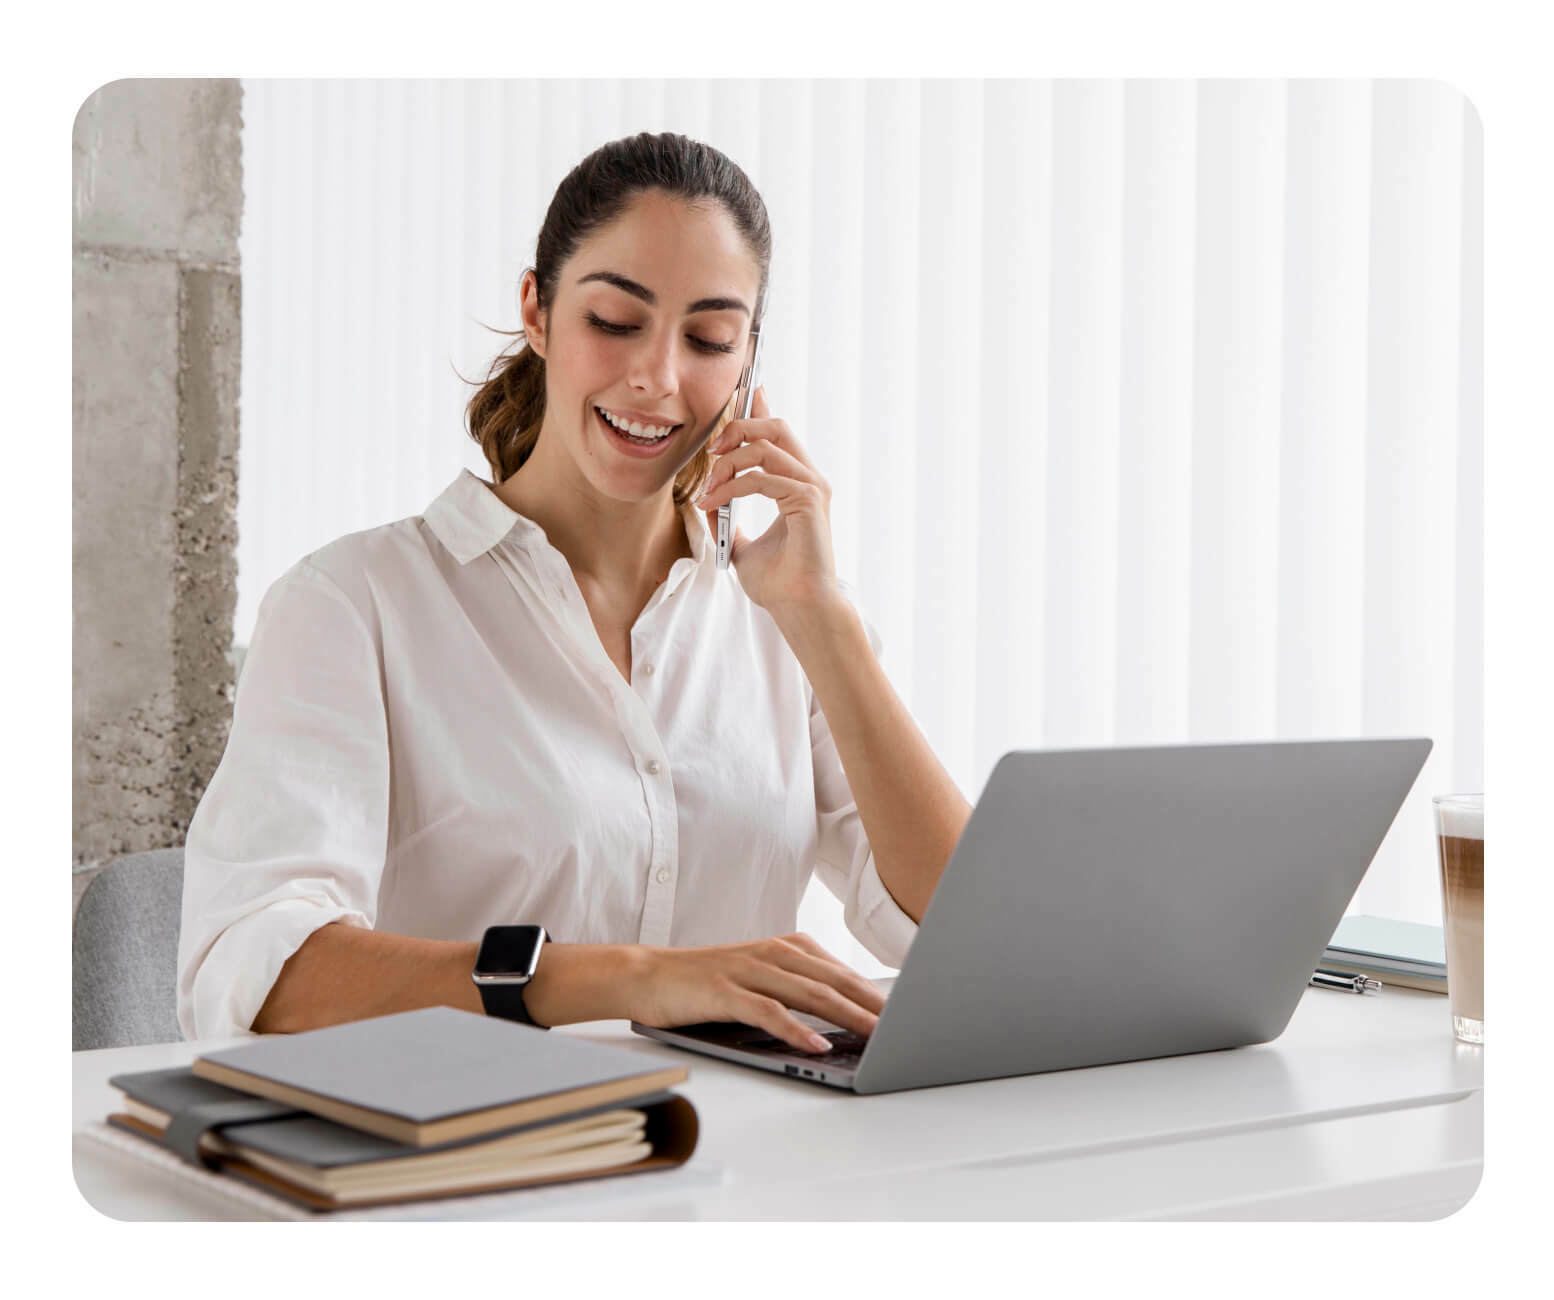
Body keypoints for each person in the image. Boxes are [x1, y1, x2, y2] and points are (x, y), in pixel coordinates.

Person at [175, 131, 972, 1053]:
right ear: (538, 313)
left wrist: (824, 623)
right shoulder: (355, 604)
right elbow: (256, 969)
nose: (658, 377)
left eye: (709, 338)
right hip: (473, 1164)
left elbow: (972, 937)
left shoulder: (783, 623)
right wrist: (632, 976)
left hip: (743, 1164)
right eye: (614, 321)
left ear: (748, 358)